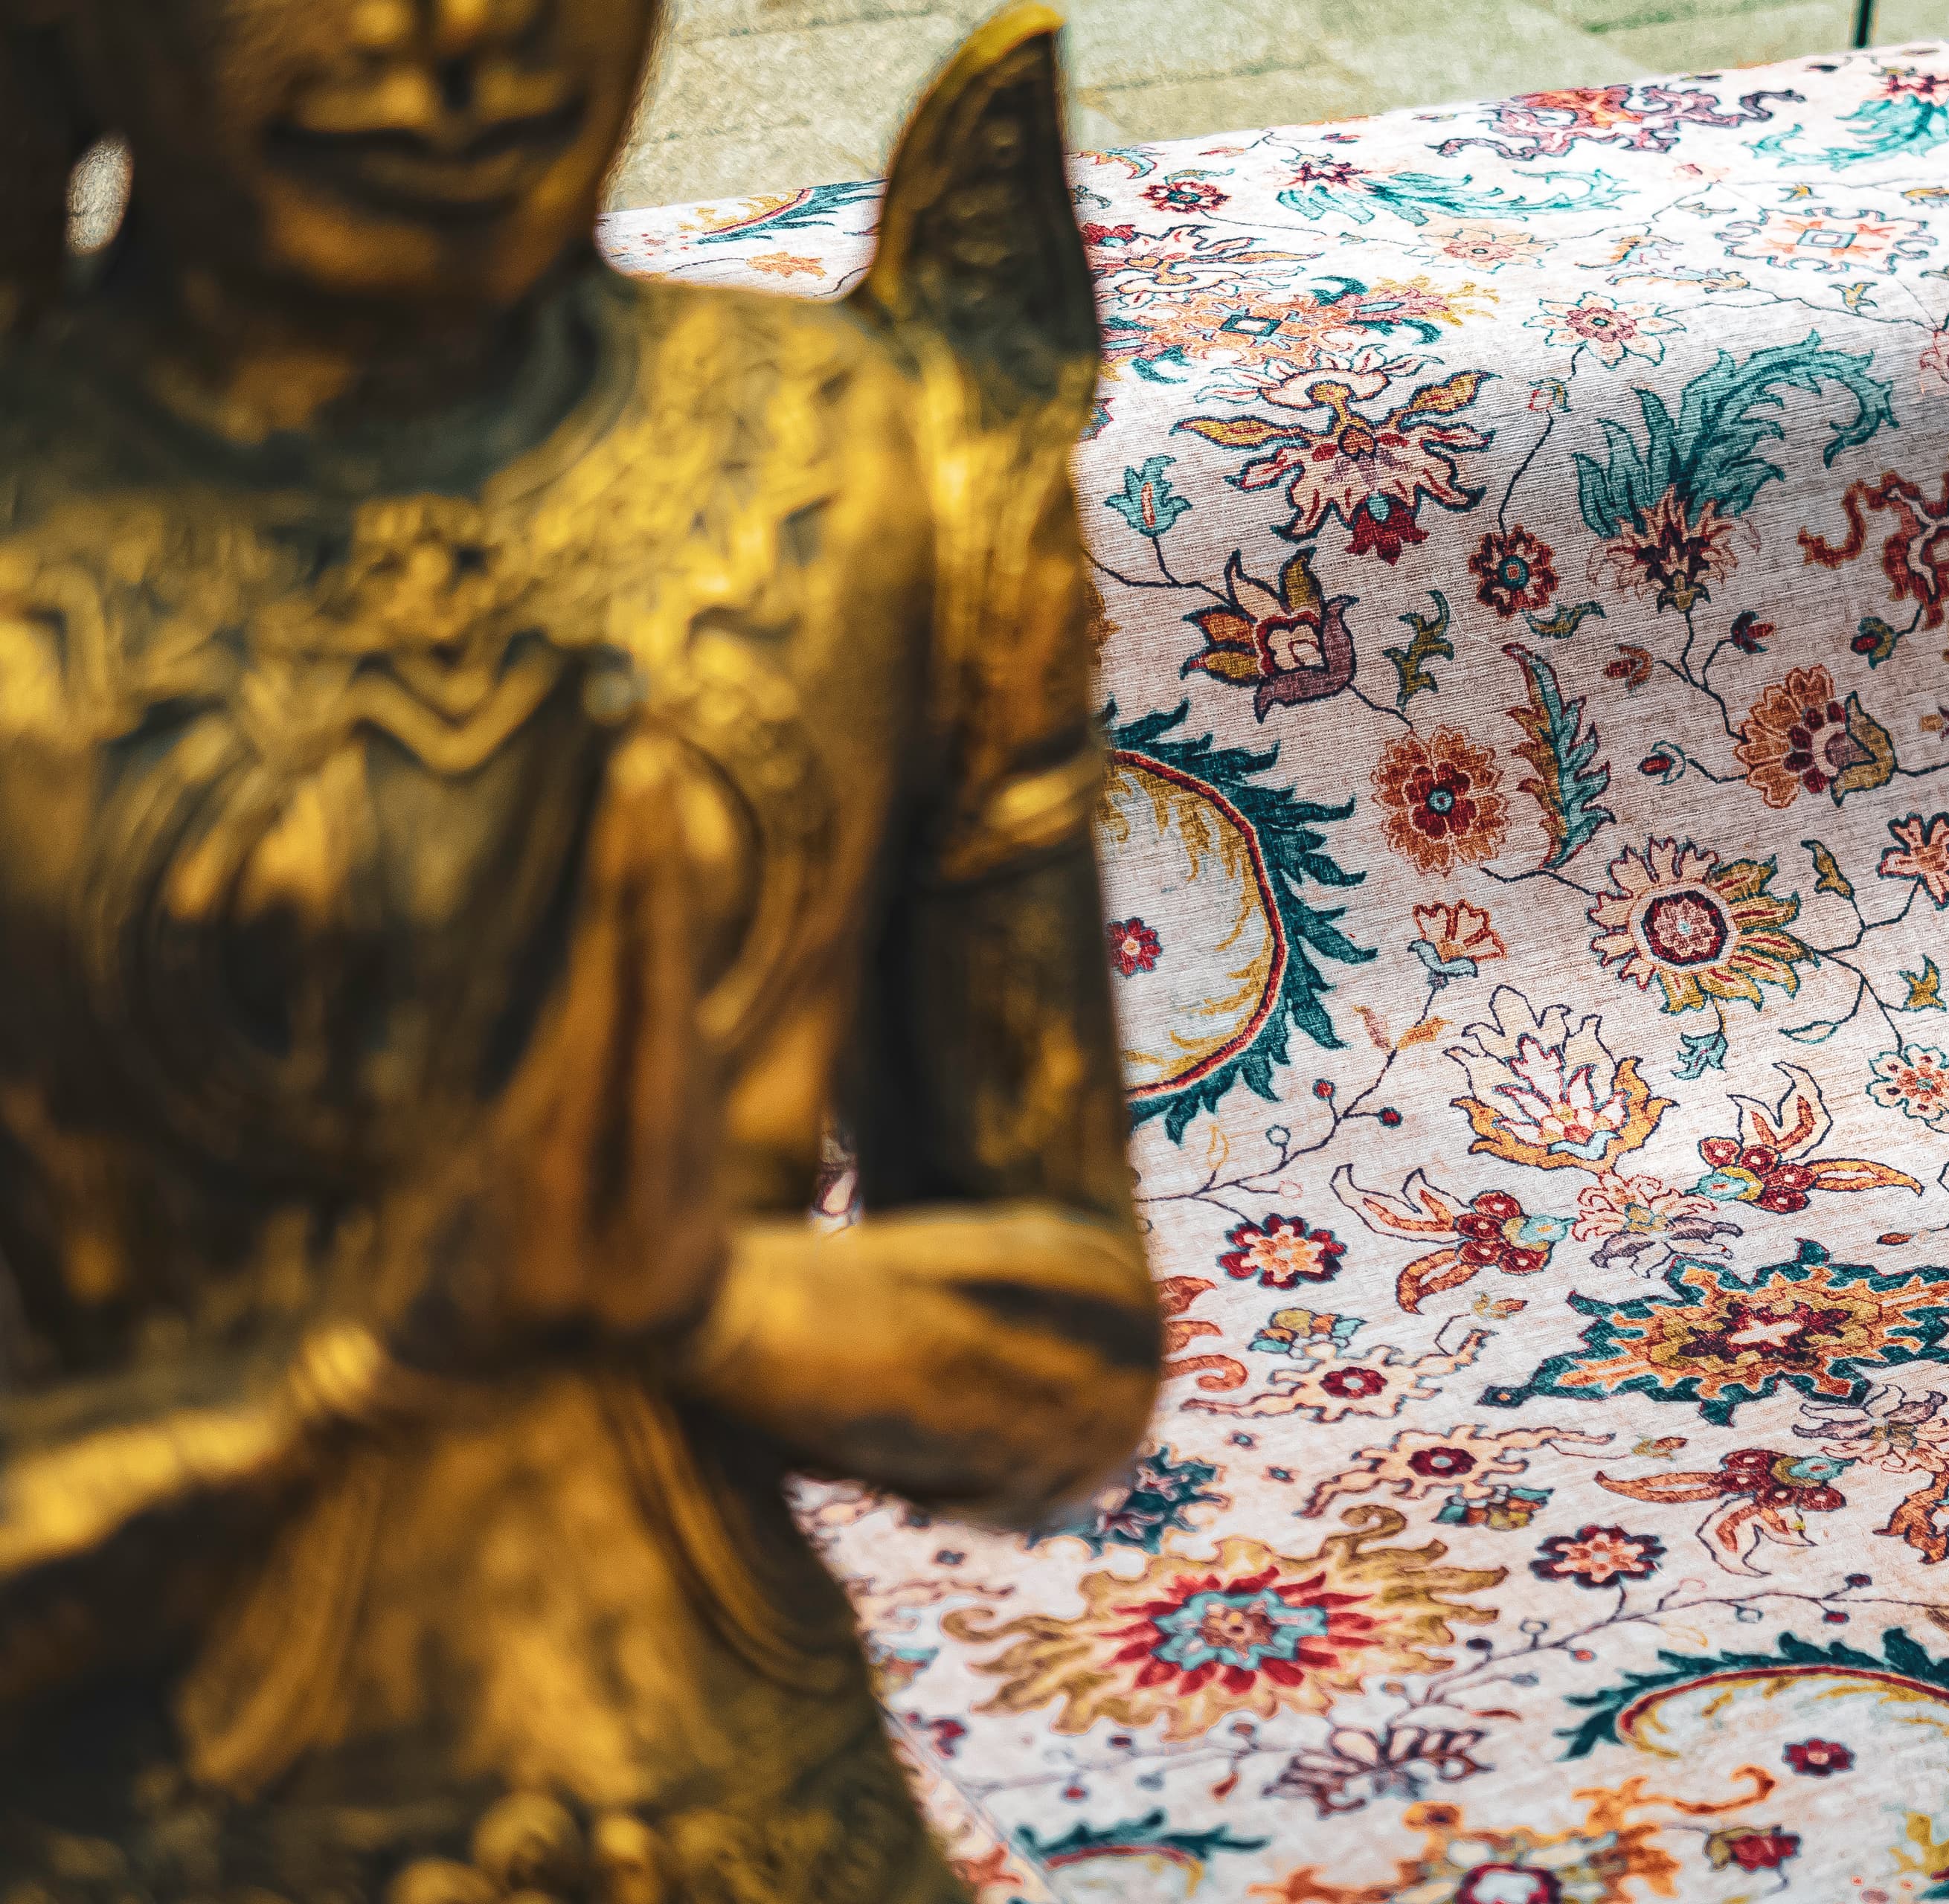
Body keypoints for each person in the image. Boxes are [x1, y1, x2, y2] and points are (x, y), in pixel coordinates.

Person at [0, 4, 1156, 1898]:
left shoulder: (876, 465)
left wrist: (706, 1297)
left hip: (743, 1802)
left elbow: (1070, 1347)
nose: (453, 36)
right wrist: (358, 1360)